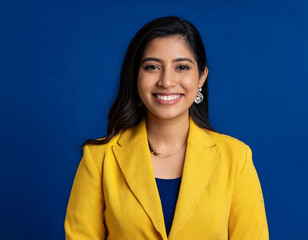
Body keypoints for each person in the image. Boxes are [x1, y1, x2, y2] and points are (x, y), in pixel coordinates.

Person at [64, 16, 269, 240]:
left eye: (181, 67)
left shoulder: (236, 158)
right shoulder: (99, 158)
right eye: (152, 67)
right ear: (135, 76)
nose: (167, 81)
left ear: (201, 77)